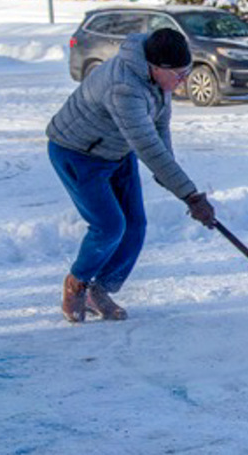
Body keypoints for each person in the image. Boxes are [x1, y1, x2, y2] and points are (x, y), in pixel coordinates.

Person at [47, 28, 216, 323]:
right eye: (178, 74)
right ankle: (77, 283)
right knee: (109, 225)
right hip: (77, 152)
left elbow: (160, 132)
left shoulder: (159, 83)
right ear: (155, 67)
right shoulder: (124, 89)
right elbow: (148, 147)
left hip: (116, 152)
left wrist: (173, 181)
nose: (184, 80)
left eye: (186, 71)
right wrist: (190, 195)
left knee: (135, 225)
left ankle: (99, 291)